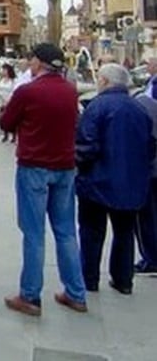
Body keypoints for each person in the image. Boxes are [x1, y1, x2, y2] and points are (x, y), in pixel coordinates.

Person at [0, 43, 88, 316]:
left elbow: (6, 123)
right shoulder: (69, 91)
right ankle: (76, 293)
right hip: (65, 165)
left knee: (34, 233)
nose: (29, 64)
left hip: (34, 165)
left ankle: (30, 296)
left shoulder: (28, 91)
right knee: (66, 231)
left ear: (39, 63)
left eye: (32, 60)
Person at [75, 63, 156, 295]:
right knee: (124, 232)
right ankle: (123, 280)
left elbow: (86, 145)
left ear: (104, 81)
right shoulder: (139, 108)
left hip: (97, 182)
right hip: (131, 183)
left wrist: (79, 165)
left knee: (92, 232)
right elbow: (150, 146)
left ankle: (89, 279)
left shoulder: (97, 107)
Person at [132, 89, 157, 276]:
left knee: (146, 217)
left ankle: (151, 258)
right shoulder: (147, 103)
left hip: (149, 170)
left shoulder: (142, 104)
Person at [0, 63, 18, 143]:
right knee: (3, 119)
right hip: (2, 102)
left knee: (12, 119)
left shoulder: (13, 81)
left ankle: (13, 135)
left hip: (10, 102)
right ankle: (5, 135)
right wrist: (0, 101)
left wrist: (9, 102)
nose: (3, 72)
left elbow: (14, 92)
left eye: (5, 70)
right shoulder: (0, 79)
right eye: (3, 70)